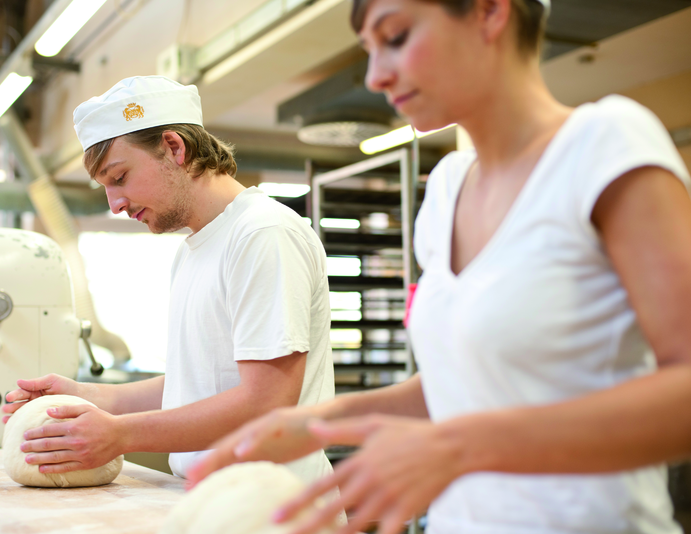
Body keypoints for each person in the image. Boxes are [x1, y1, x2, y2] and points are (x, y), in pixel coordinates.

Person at [189, 0, 691, 533]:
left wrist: (456, 448)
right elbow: (456, 385)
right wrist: (316, 421)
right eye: (369, 51)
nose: (377, 76)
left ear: (490, 12)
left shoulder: (601, 146)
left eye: (397, 37)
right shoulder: (448, 186)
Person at [2, 76, 336, 485]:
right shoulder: (192, 252)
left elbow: (266, 401)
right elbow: (197, 382)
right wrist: (90, 396)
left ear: (174, 148)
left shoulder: (262, 233)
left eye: (119, 177)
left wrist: (119, 435)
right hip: (212, 500)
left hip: (275, 509)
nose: (115, 204)